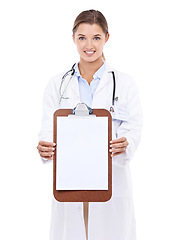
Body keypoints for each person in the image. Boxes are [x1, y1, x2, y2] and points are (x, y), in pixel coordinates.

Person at [37, 9, 143, 240]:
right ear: (73, 38)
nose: (89, 45)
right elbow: (47, 128)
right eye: (82, 37)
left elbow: (133, 128)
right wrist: (45, 146)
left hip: (110, 180)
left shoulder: (124, 83)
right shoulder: (58, 84)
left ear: (107, 38)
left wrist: (127, 143)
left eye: (96, 37)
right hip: (69, 179)